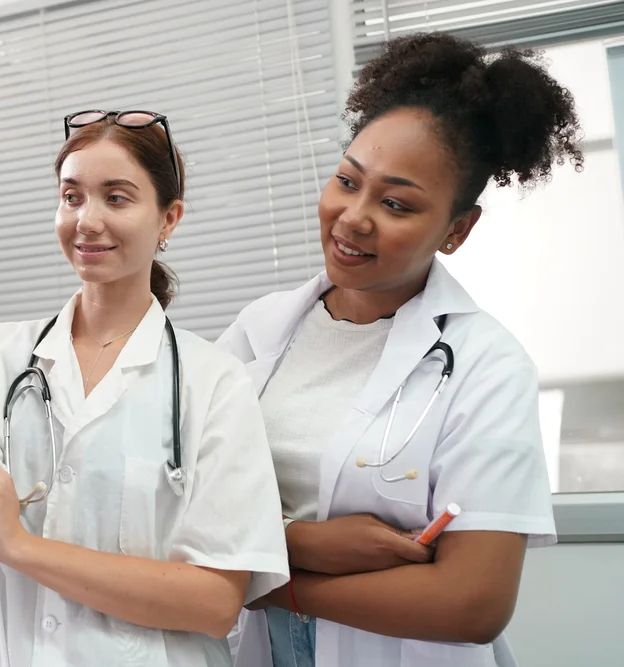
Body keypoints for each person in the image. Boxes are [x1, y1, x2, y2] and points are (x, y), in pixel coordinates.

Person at [0, 110, 290, 666]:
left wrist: (21, 545)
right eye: (72, 197)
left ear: (169, 219)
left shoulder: (215, 382)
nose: (86, 220)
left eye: (117, 198)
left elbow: (212, 603)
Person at [220, 34, 582, 667]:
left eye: (395, 203)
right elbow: (170, 507)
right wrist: (304, 543)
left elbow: (472, 603)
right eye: (346, 181)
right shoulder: (259, 329)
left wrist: (262, 584)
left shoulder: (486, 366)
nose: (353, 217)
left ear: (455, 231)